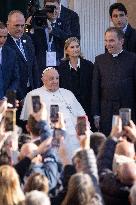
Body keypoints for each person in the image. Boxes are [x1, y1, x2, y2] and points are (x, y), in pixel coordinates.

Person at [20, 67, 87, 160]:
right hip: (50, 138)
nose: (55, 81)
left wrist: (84, 135)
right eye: (51, 79)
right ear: (43, 80)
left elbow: (82, 116)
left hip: (74, 136)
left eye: (57, 78)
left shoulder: (68, 93)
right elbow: (31, 123)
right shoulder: (34, 95)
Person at [91, 27, 136, 136]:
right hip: (106, 111)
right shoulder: (99, 60)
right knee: (108, 144)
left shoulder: (133, 58)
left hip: (127, 110)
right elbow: (95, 88)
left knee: (127, 143)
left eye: (111, 40)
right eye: (106, 40)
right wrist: (96, 114)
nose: (108, 44)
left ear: (121, 41)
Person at [31, 0, 80, 77]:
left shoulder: (66, 20)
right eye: (50, 8)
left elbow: (74, 40)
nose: (53, 11)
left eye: (56, 8)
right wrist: (28, 27)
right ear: (44, 9)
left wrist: (53, 30)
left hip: (61, 65)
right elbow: (30, 42)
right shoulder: (38, 20)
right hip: (42, 67)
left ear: (60, 8)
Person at [57, 37, 93, 123]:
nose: (75, 49)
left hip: (87, 108)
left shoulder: (89, 65)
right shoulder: (61, 68)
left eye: (77, 46)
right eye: (72, 47)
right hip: (69, 109)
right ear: (66, 51)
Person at [6, 10, 39, 101]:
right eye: (16, 25)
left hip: (31, 92)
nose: (20, 29)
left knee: (31, 115)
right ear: (8, 25)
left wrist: (37, 91)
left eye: (22, 25)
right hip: (12, 95)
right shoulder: (4, 43)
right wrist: (20, 98)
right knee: (12, 116)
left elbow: (34, 67)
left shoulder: (27, 39)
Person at [0, 21, 19, 99]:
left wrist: (7, 98)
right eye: (0, 37)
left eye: (5, 37)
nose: (2, 40)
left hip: (8, 101)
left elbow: (16, 78)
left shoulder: (11, 53)